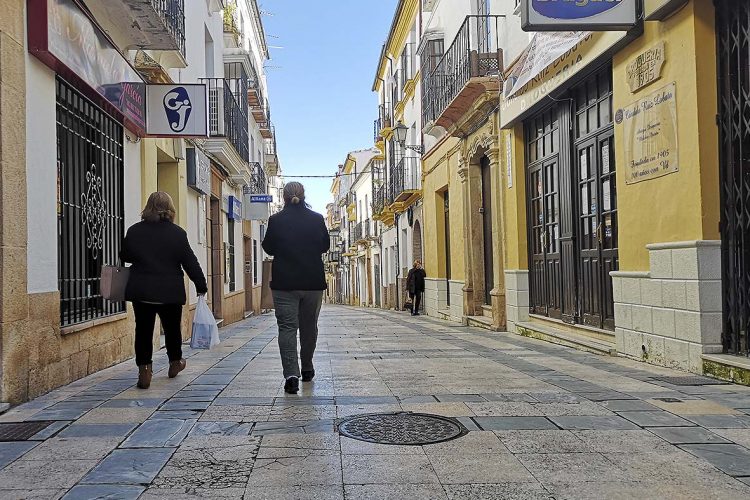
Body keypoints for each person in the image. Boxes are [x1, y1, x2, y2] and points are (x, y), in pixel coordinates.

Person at [121, 192, 208, 389]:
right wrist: (200, 285)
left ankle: (144, 370)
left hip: (142, 290)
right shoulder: (178, 233)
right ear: (170, 209)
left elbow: (125, 256)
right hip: (170, 292)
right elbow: (190, 261)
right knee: (172, 329)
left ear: (148, 208)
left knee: (143, 330)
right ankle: (175, 362)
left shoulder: (134, 231)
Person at [262, 182, 330, 394]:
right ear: (303, 195)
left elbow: (268, 247)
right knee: (309, 328)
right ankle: (307, 368)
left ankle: (291, 375)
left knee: (287, 328)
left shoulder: (276, 220)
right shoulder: (317, 219)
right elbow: (325, 246)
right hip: (312, 283)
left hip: (285, 284)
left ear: (283, 197)